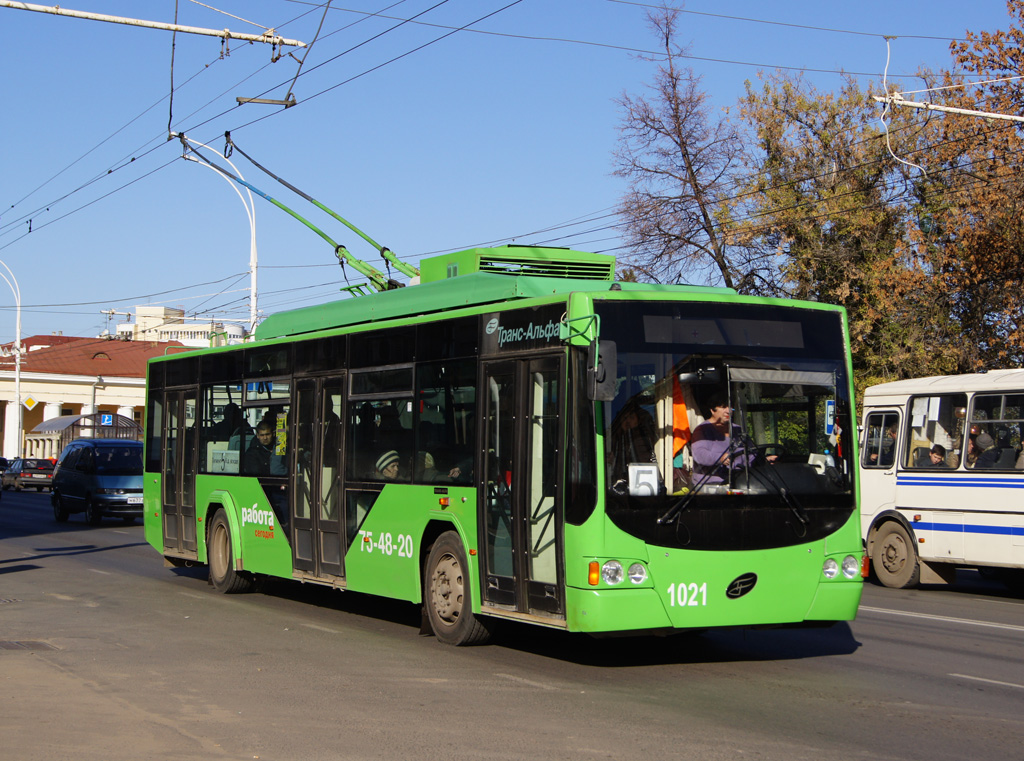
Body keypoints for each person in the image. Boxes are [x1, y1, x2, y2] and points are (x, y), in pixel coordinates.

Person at [690, 393, 775, 484]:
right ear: (712, 410)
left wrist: (764, 459)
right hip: (711, 484)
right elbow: (699, 455)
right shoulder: (702, 429)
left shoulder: (738, 429)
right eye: (723, 407)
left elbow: (750, 453)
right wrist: (720, 458)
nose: (728, 411)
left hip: (738, 481)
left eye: (731, 407)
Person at [608, 400, 659, 486]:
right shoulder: (615, 440)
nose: (627, 421)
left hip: (646, 481)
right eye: (624, 418)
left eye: (631, 417)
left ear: (638, 420)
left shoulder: (645, 437)